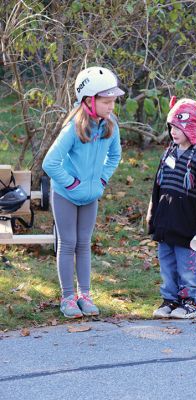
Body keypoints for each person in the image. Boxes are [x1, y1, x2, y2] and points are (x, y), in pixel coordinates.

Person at [42, 66, 125, 318]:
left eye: (113, 101)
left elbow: (115, 156)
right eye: (107, 101)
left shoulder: (110, 125)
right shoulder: (73, 129)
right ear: (89, 100)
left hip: (91, 196)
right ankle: (68, 297)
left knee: (84, 244)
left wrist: (101, 180)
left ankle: (85, 295)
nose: (112, 106)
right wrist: (71, 184)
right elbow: (50, 163)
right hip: (66, 196)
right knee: (68, 244)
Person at [146, 97, 196, 319]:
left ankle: (190, 301)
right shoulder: (168, 153)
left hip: (188, 230)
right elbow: (157, 189)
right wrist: (152, 217)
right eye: (171, 126)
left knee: (186, 267)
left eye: (179, 127)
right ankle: (170, 299)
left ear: (193, 127)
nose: (173, 132)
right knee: (167, 266)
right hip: (166, 226)